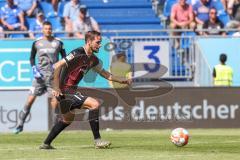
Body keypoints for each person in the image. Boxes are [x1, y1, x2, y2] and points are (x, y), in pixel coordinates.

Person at [39, 31, 131, 149]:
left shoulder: (93, 59)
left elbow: (106, 74)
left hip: (68, 92)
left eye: (100, 42)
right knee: (94, 104)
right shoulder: (77, 53)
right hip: (65, 90)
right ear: (89, 42)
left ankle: (46, 143)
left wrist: (122, 80)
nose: (100, 45)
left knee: (67, 119)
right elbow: (57, 66)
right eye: (98, 42)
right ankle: (98, 140)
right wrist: (56, 87)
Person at [14, 21, 67, 134]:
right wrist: (34, 68)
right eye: (46, 28)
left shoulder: (59, 43)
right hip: (40, 77)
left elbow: (64, 58)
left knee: (54, 102)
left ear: (52, 29)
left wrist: (60, 68)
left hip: (53, 78)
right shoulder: (36, 43)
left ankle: (53, 130)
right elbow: (32, 58)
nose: (48, 30)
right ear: (42, 30)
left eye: (50, 28)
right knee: (30, 100)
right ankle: (20, 124)